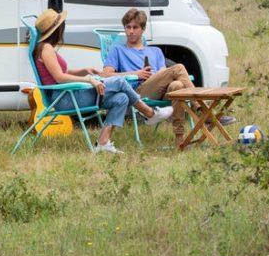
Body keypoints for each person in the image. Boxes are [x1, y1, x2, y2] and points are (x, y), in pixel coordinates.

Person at [33, 8, 172, 154]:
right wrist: (89, 80)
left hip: (67, 94)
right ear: (57, 29)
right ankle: (149, 113)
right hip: (64, 98)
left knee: (121, 98)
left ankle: (103, 143)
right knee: (119, 82)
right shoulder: (47, 49)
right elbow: (60, 78)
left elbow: (61, 73)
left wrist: (85, 70)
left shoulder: (45, 48)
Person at [100, 8, 235, 144]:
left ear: (143, 29)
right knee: (179, 68)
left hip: (161, 90)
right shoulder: (118, 50)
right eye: (128, 27)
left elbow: (165, 74)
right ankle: (204, 112)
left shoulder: (155, 51)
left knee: (177, 85)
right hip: (138, 92)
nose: (131, 31)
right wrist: (136, 73)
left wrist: (156, 76)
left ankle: (180, 140)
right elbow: (106, 75)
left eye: (135, 27)